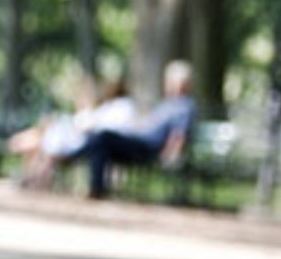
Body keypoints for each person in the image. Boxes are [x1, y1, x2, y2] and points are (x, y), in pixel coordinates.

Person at [76, 60, 196, 199]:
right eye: (168, 80)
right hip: (138, 141)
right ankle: (96, 186)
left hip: (148, 147)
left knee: (103, 137)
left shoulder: (184, 106)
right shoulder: (166, 104)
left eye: (172, 81)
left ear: (183, 84)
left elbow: (179, 134)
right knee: (100, 139)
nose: (168, 84)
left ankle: (94, 184)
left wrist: (170, 155)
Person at [9, 79, 135, 190]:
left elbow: (92, 127)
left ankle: (31, 177)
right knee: (44, 145)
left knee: (46, 147)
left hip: (80, 142)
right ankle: (31, 176)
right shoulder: (107, 108)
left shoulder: (113, 108)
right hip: (74, 139)